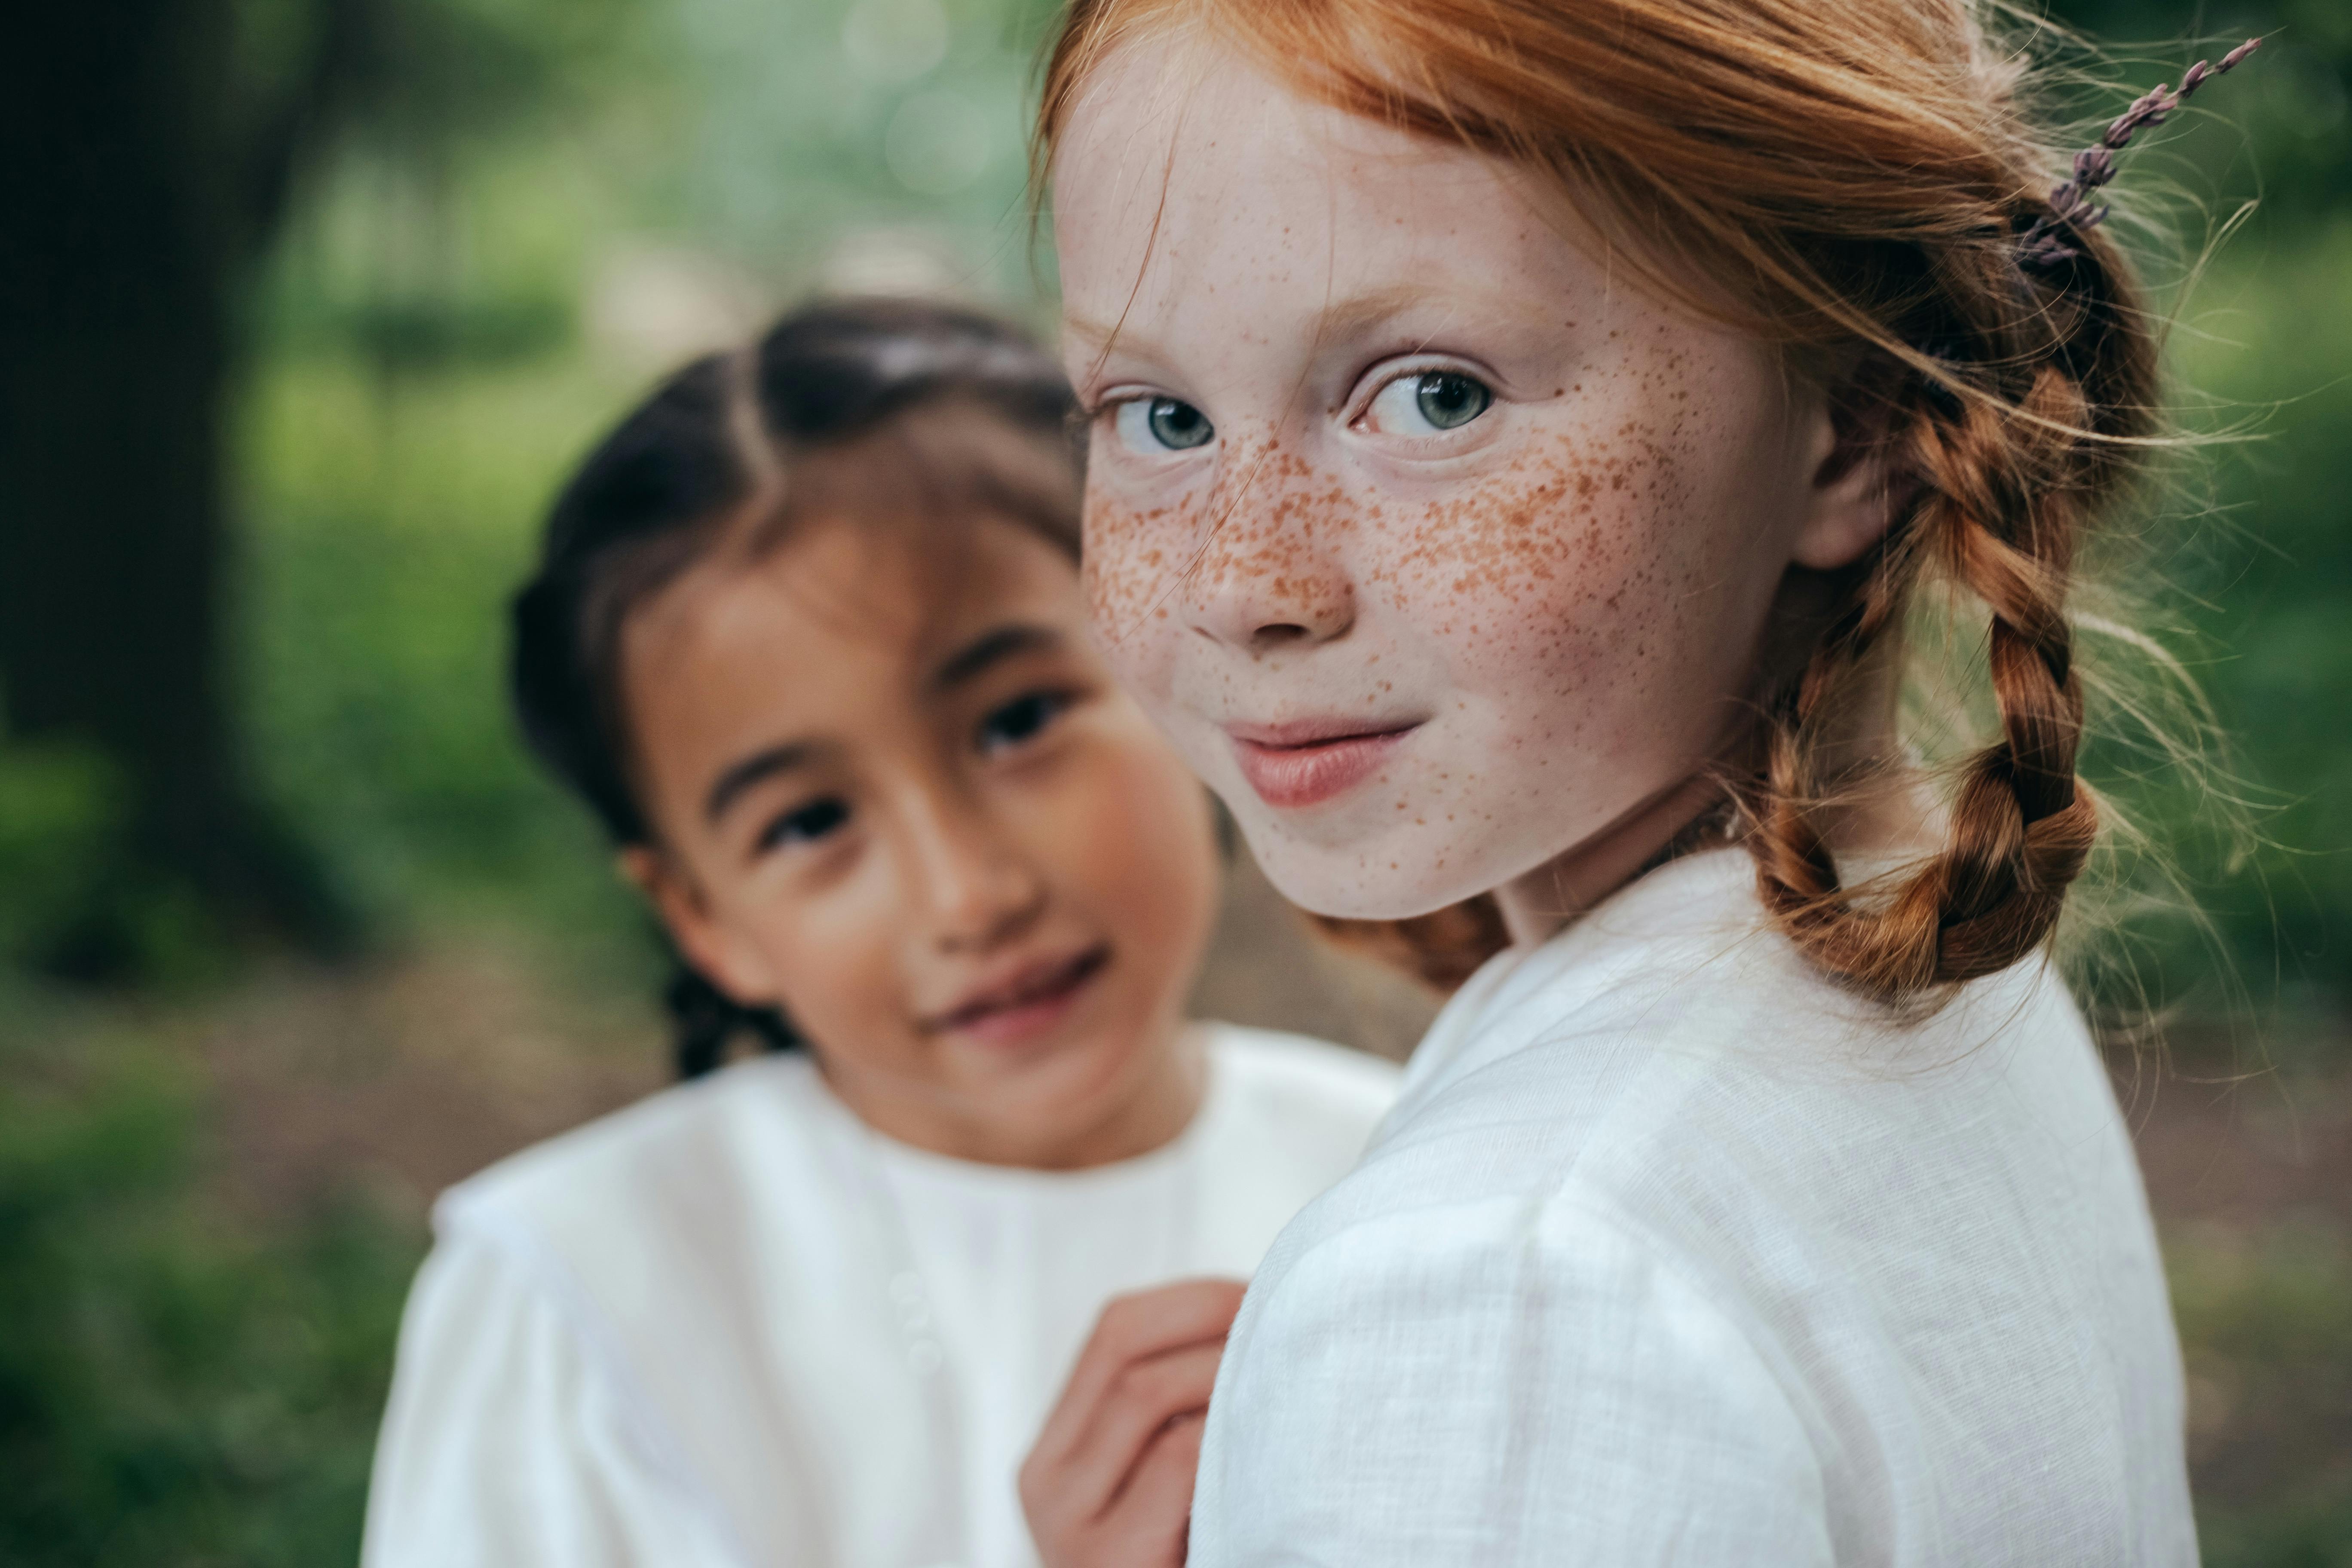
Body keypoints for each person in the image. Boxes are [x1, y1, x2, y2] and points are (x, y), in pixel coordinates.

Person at [1031, 3, 2258, 1562]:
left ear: (1854, 428)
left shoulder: (1511, 1279)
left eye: (1436, 395)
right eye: (1161, 418)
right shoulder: (1928, 962)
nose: (1244, 580)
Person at [359, 298, 1400, 1568]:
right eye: (809, 825)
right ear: (703, 917)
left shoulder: (1408, 1182)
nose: (969, 895)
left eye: (1016, 723)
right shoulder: (582, 1293)